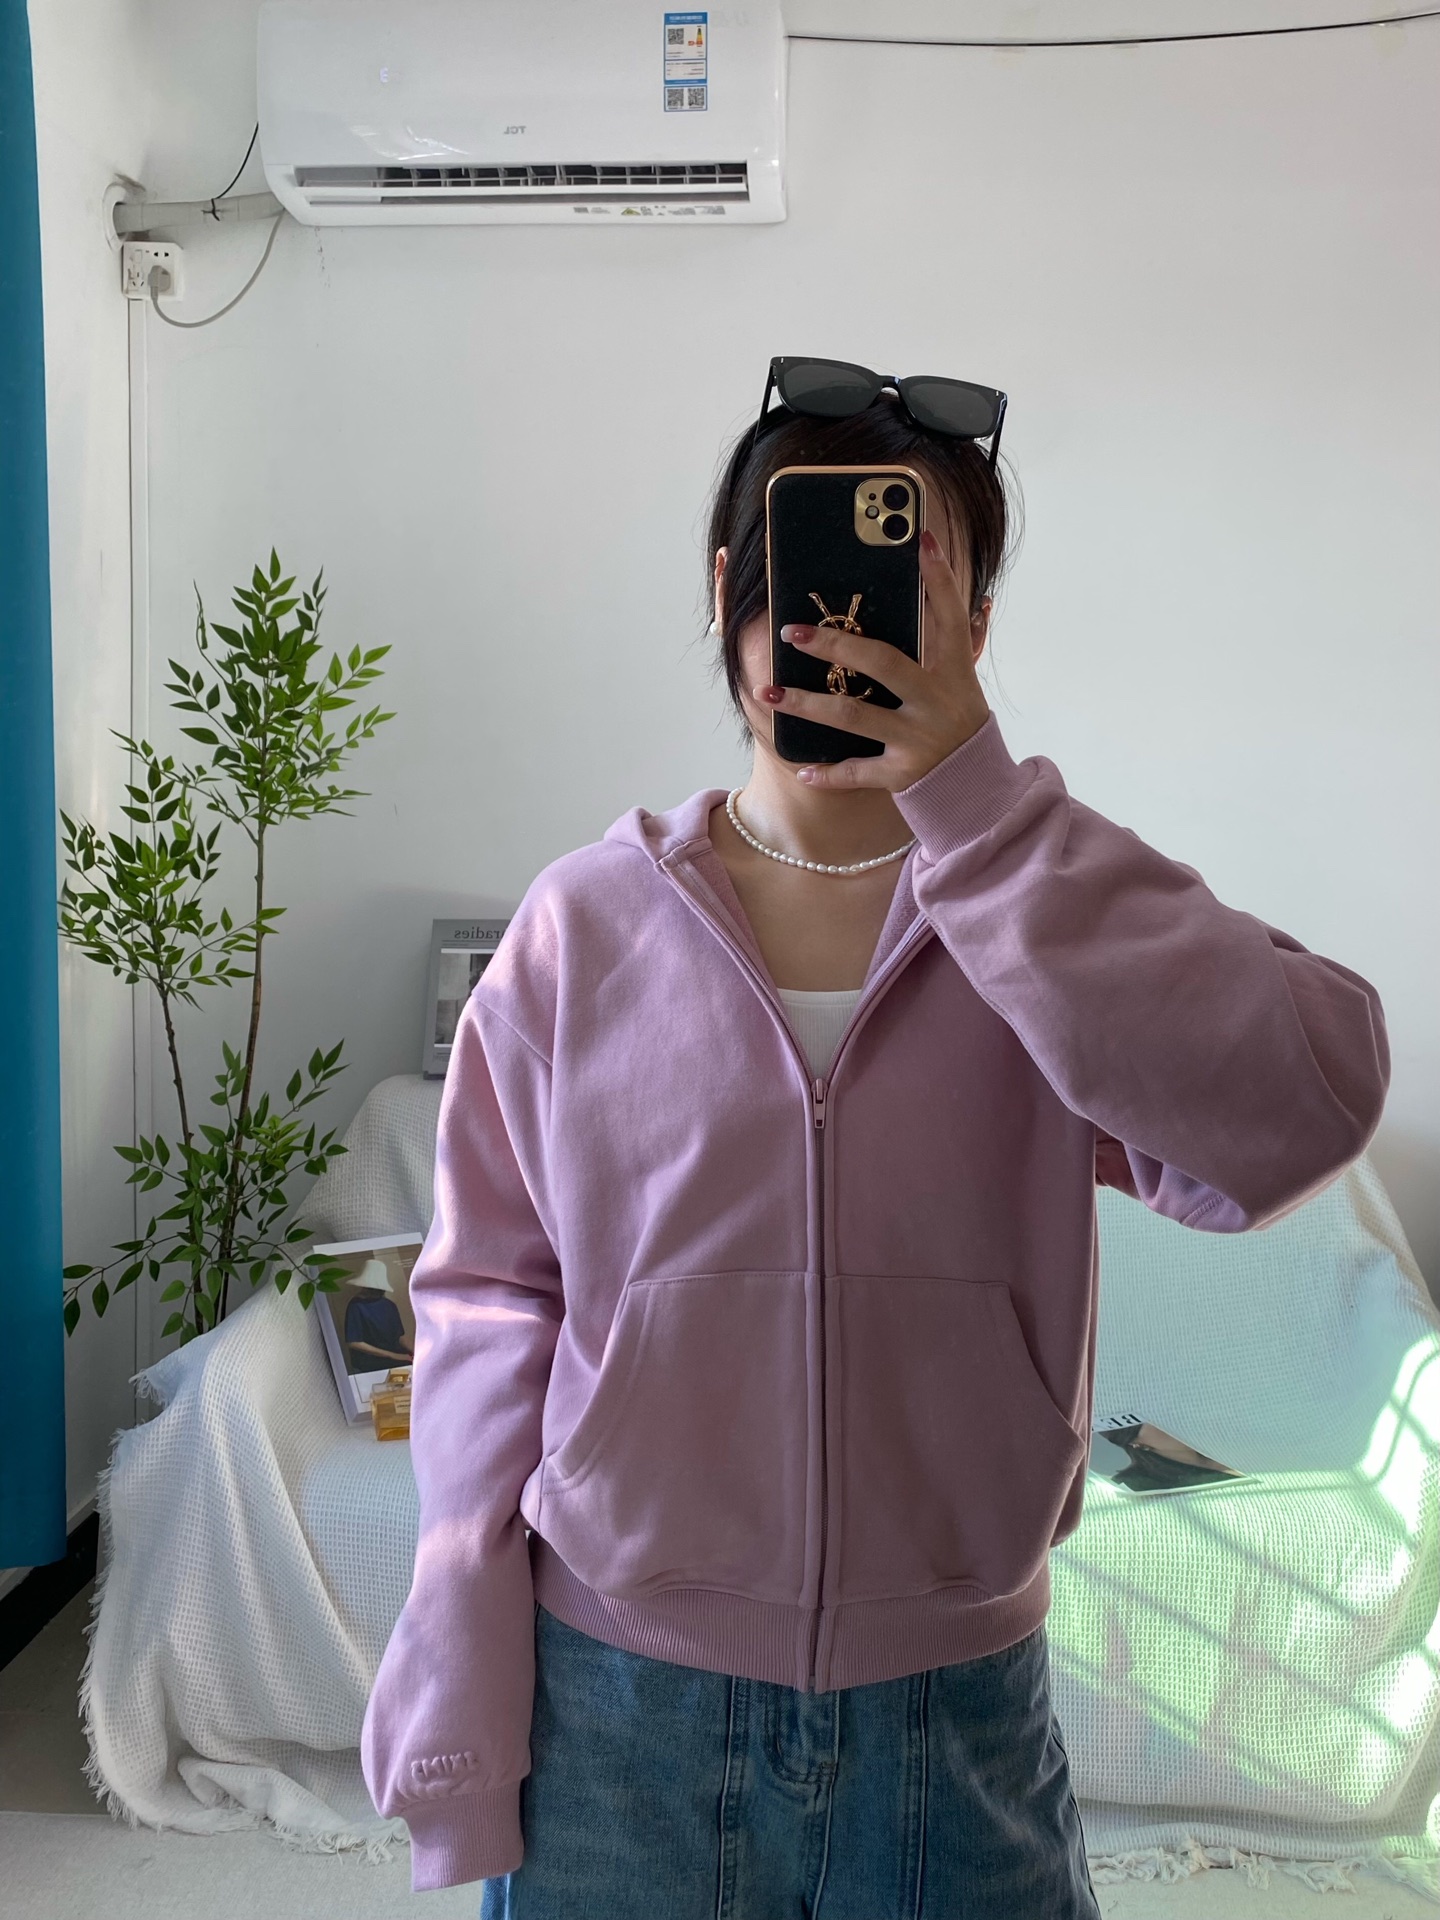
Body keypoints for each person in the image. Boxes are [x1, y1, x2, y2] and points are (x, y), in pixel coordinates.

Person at [360, 361, 1389, 1918]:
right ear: (732, 590)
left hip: (954, 1715)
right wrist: (460, 1631)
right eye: (807, 579)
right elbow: (490, 1302)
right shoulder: (583, 928)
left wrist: (991, 819)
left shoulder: (1046, 917)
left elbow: (1308, 1100)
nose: (844, 628)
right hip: (619, 1709)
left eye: (906, 588)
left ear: (972, 625)